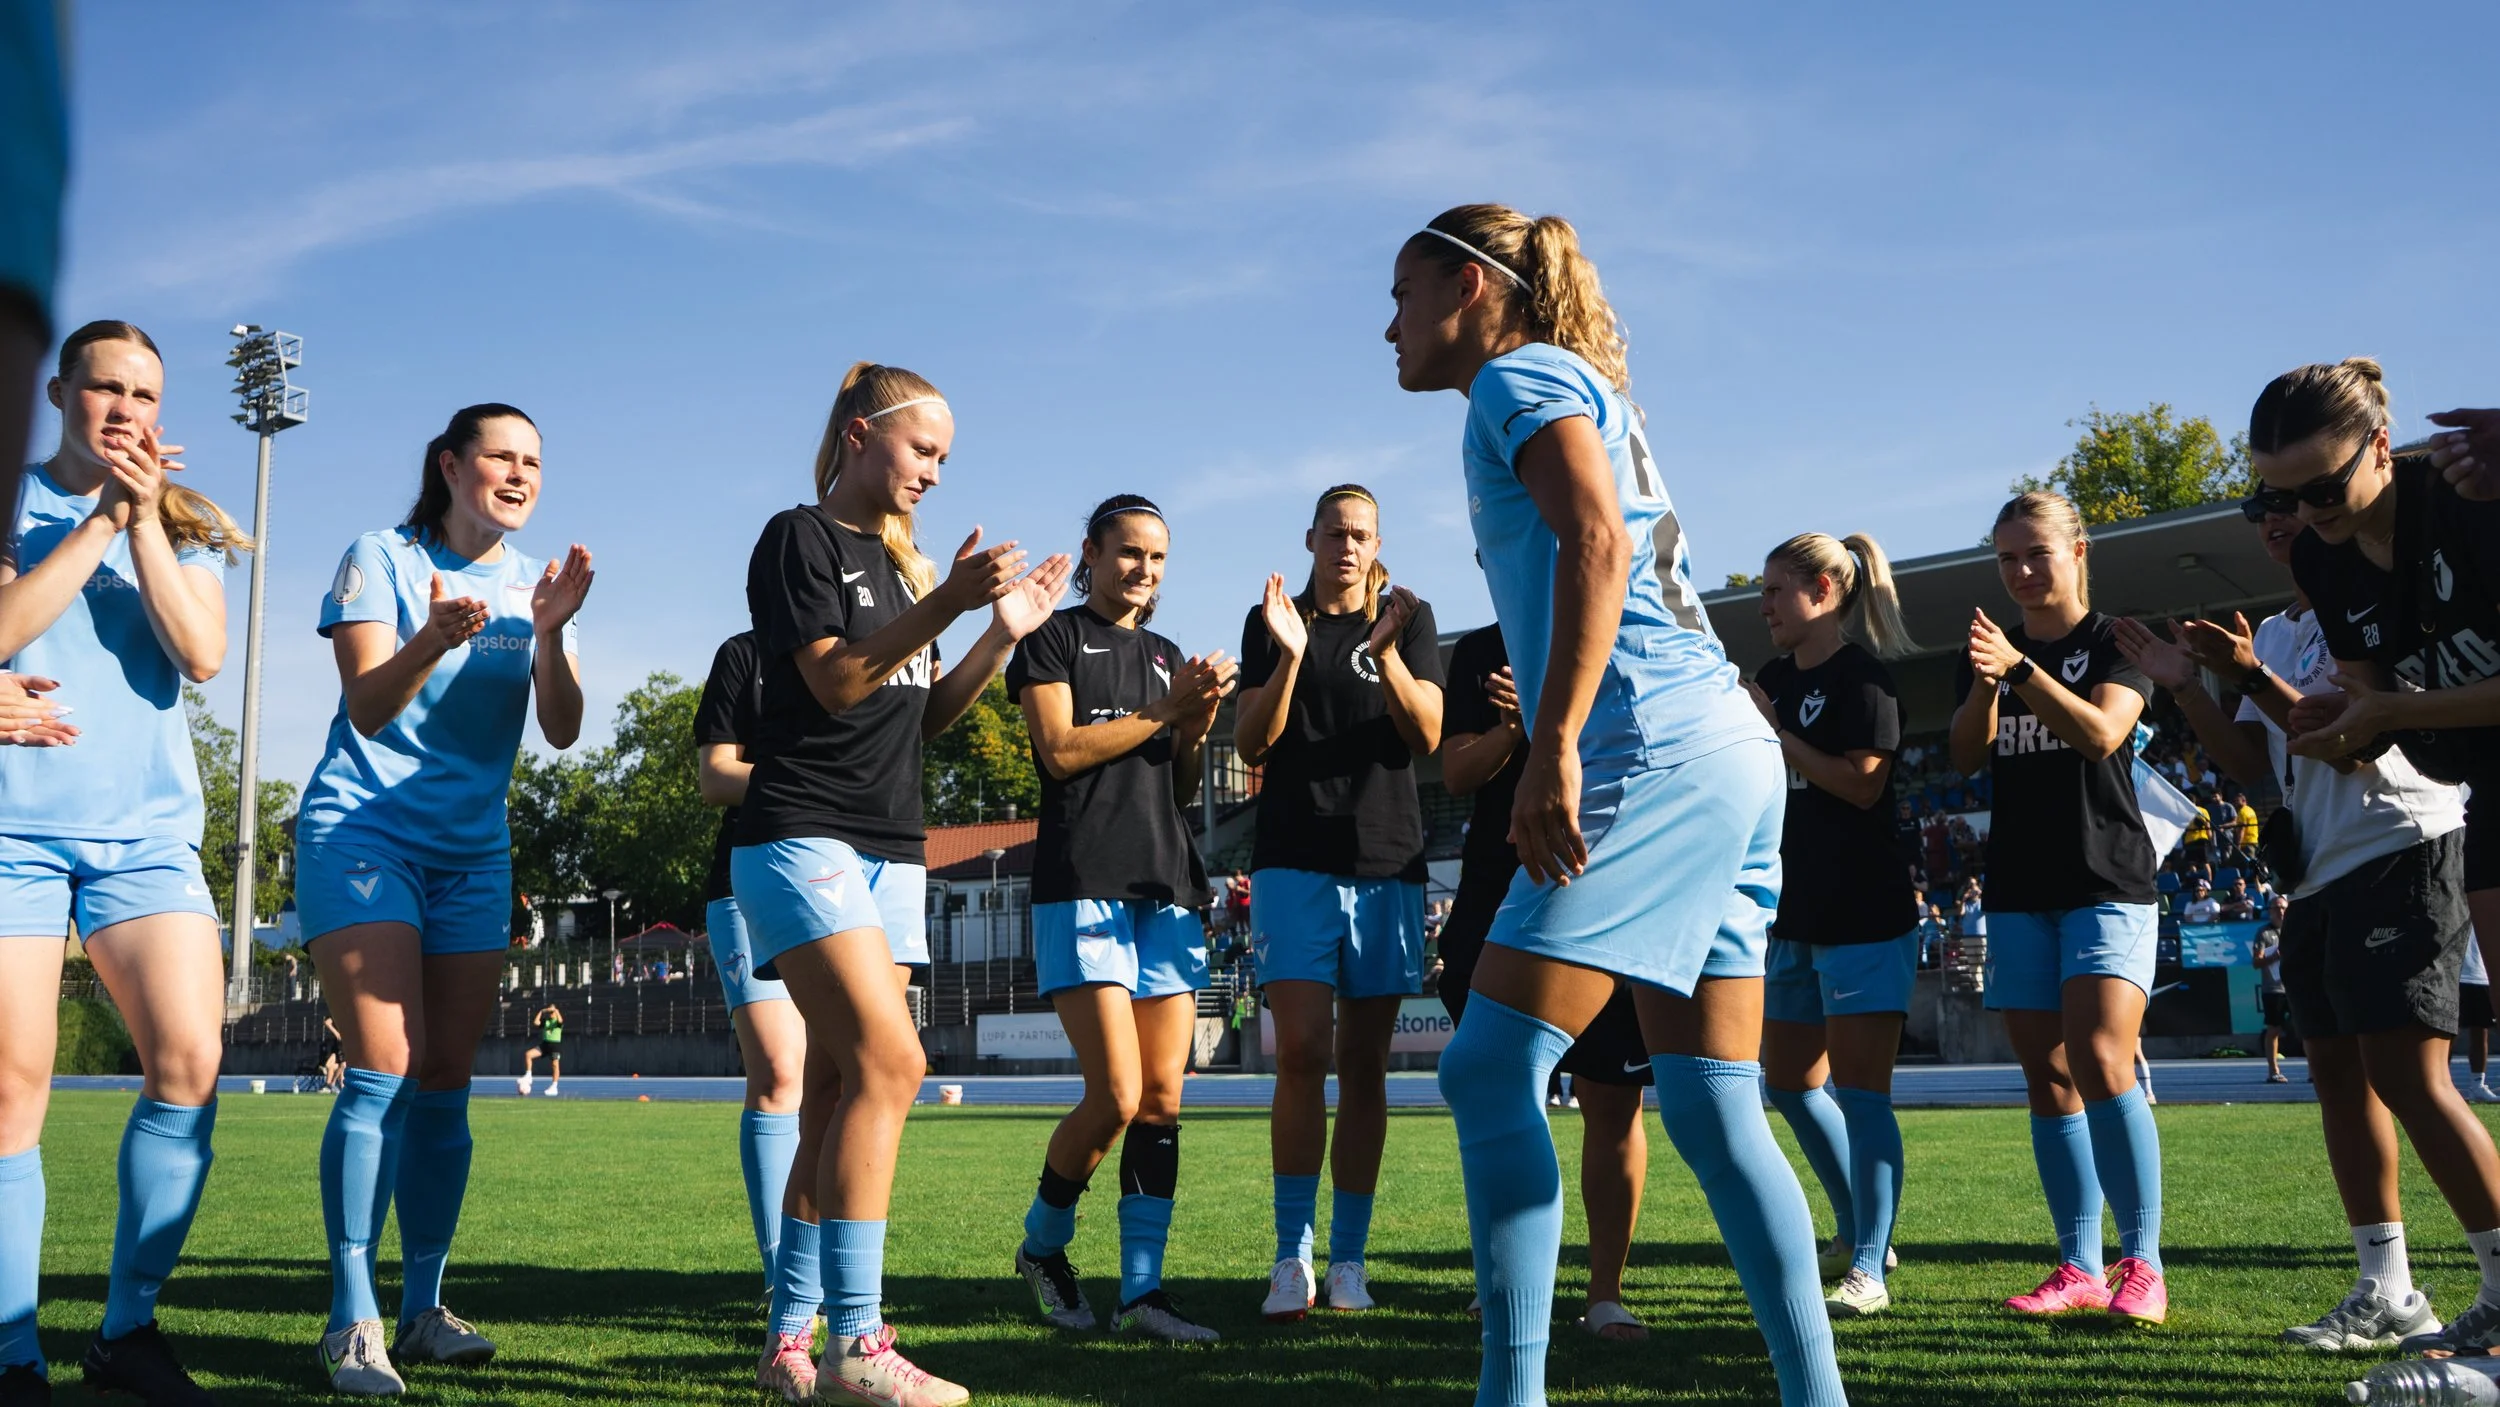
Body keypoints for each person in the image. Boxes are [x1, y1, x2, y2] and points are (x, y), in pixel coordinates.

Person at [1388, 203, 1845, 1407]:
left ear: (1475, 291)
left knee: (1487, 1072)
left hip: (1652, 750)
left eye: (1402, 293)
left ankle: (1512, 1392)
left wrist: (1553, 745)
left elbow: (1594, 540)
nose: (1386, 325)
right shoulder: (1576, 378)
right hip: (1730, 753)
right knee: (1709, 1100)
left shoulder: (1517, 378)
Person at [733, 361, 1068, 1406]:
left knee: (838, 1090)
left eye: (945, 459)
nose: (935, 472)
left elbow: (918, 717)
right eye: (924, 449)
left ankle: (792, 1340)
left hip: (891, 851)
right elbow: (835, 680)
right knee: (894, 1064)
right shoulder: (802, 539)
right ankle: (859, 1345)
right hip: (803, 837)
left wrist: (992, 634)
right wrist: (947, 603)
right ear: (858, 437)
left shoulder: (908, 569)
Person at [2115, 427, 2476, 1350]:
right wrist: (2194, 686)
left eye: (2298, 500)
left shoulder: (2381, 593)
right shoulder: (2274, 628)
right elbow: (2256, 769)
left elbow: (2358, 730)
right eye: (2264, 507)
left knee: (2410, 1074)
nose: (2280, 519)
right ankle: (2386, 1287)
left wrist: (2249, 675)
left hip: (2399, 841)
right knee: (2340, 1082)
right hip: (2319, 871)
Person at [295, 402, 593, 1395]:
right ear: (451, 465)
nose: (518, 475)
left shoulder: (534, 585)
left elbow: (557, 729)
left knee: (448, 1078)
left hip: (473, 853)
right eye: (501, 457)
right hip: (365, 831)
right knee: (382, 1062)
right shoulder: (379, 554)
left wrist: (548, 634)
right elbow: (369, 707)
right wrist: (429, 637)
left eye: (533, 463)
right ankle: (351, 1320)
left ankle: (423, 1308)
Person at [0, 320, 249, 1404]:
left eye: (145, 396)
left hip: (144, 835)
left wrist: (142, 521)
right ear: (60, 391)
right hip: (13, 831)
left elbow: (199, 655)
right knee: (12, 1092)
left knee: (190, 1066)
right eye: (105, 387)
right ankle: (11, 1350)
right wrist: (99, 518)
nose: (125, 411)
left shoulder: (181, 524)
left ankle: (127, 1328)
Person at [2243, 357, 2500, 1353]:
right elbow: (2365, 713)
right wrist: (2320, 717)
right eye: (2279, 494)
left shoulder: (2469, 500)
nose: (2303, 512)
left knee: (2409, 1073)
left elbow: (2397, 710)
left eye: (2321, 486)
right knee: (2359, 1077)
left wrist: (2389, 713)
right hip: (2482, 791)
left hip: (2424, 825)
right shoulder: (2322, 557)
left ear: (2382, 448)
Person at [1005, 493, 1235, 1344]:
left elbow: (1173, 786)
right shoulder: (1053, 638)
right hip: (1082, 886)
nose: (1145, 570)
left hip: (1165, 887)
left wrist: (1198, 718)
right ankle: (1042, 1245)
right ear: (1092, 554)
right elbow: (1060, 752)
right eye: (1130, 552)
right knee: (1114, 1093)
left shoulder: (1168, 656)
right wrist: (1166, 715)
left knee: (1163, 1100)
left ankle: (1144, 1296)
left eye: (1159, 558)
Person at [1949, 490, 2169, 1326]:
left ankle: (2141, 1263)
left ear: (2080, 550)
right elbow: (1968, 753)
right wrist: (1985, 684)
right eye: (2007, 557)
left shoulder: (2118, 640)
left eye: (2037, 551)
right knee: (2047, 1076)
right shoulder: (1989, 652)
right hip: (2018, 888)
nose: (2022, 570)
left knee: (2104, 1055)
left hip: (2105, 879)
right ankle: (2077, 1262)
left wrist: (2021, 670)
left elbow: (2102, 734)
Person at [1234, 484, 1445, 1320]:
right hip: (1293, 862)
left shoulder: (1409, 617)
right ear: (1312, 538)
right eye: (1334, 533)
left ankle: (1350, 1259)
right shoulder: (1275, 619)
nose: (1347, 547)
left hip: (1387, 862)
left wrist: (1388, 651)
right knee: (1299, 1056)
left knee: (1363, 1067)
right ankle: (1292, 1257)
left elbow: (1427, 734)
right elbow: (1252, 739)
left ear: (1377, 541)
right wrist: (1289, 654)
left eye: (1361, 535)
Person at [1438, 622, 1656, 1341]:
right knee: (1498, 1091)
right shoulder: (1478, 650)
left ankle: (1605, 1292)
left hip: (1604, 875)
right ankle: (1502, 1282)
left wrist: (1553, 720)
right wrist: (1512, 730)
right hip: (1495, 885)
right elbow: (1455, 771)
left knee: (1612, 1097)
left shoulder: (1623, 622)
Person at [1747, 530, 1921, 1319]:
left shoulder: (1864, 679)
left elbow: (1859, 787)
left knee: (1861, 1092)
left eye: (1776, 590)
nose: (1765, 605)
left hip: (1863, 912)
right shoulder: (1773, 677)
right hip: (1791, 913)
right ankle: (1862, 1231)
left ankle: (1868, 1267)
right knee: (1787, 1081)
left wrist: (1775, 733)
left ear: (1823, 590)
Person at [693, 629, 813, 1349]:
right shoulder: (745, 654)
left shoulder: (879, 647)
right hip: (748, 882)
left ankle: (833, 1274)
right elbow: (715, 776)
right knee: (779, 1072)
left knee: (832, 1076)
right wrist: (813, 777)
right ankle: (784, 1277)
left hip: (846, 883)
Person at [2252, 898, 2290, 1083]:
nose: (2280, 912)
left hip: (2294, 986)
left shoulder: (2294, 928)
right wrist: (2274, 956)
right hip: (2274, 988)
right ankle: (2273, 1070)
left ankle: (2313, 1072)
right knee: (2273, 1029)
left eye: (2283, 908)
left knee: (2305, 1029)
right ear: (2270, 910)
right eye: (2277, 908)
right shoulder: (2264, 932)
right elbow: (2256, 962)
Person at [2462, 935, 2494, 1104]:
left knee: (2481, 1031)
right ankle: (2444, 1083)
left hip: (2481, 974)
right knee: (2447, 1032)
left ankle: (2477, 1086)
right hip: (2455, 974)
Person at [518, 1005, 563, 1097]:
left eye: (552, 1012)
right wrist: (542, 1011)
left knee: (555, 1065)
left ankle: (554, 1086)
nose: (550, 1013)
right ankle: (529, 1075)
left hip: (554, 1045)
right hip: (545, 1044)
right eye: (549, 1012)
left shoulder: (557, 1022)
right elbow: (536, 1022)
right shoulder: (546, 1021)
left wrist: (556, 1011)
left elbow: (560, 1021)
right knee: (528, 1054)